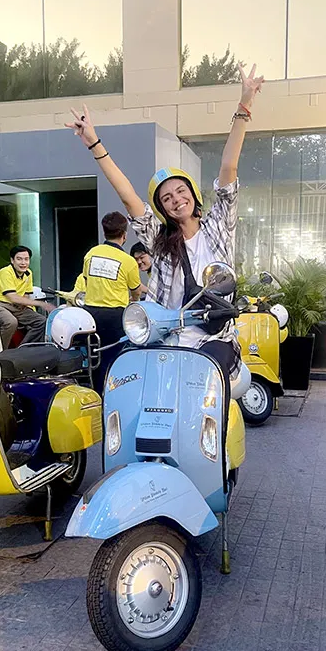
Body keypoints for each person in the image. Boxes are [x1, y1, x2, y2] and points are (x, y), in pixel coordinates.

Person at [66, 64, 263, 414]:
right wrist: (94, 144)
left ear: (192, 194)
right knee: (130, 383)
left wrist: (244, 105)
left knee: (203, 400)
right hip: (166, 339)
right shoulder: (160, 240)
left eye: (181, 191)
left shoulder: (219, 226)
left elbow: (228, 168)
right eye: (166, 198)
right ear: (162, 208)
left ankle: (215, 445)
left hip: (213, 339)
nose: (176, 200)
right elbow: (128, 196)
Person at [82, 211, 142, 392]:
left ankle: (96, 393)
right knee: (116, 358)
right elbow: (136, 290)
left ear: (104, 232)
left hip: (90, 314)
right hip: (115, 317)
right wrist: (134, 301)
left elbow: (86, 281)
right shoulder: (128, 261)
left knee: (94, 357)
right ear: (124, 234)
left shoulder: (91, 254)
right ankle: (114, 393)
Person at [0, 246, 55, 349]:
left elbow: (26, 294)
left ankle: (23, 350)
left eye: (26, 259)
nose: (23, 263)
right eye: (19, 259)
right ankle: (0, 352)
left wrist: (25, 305)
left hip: (15, 305)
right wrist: (41, 304)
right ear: (12, 260)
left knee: (41, 321)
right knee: (11, 322)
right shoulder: (6, 272)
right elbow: (12, 297)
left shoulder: (28, 273)